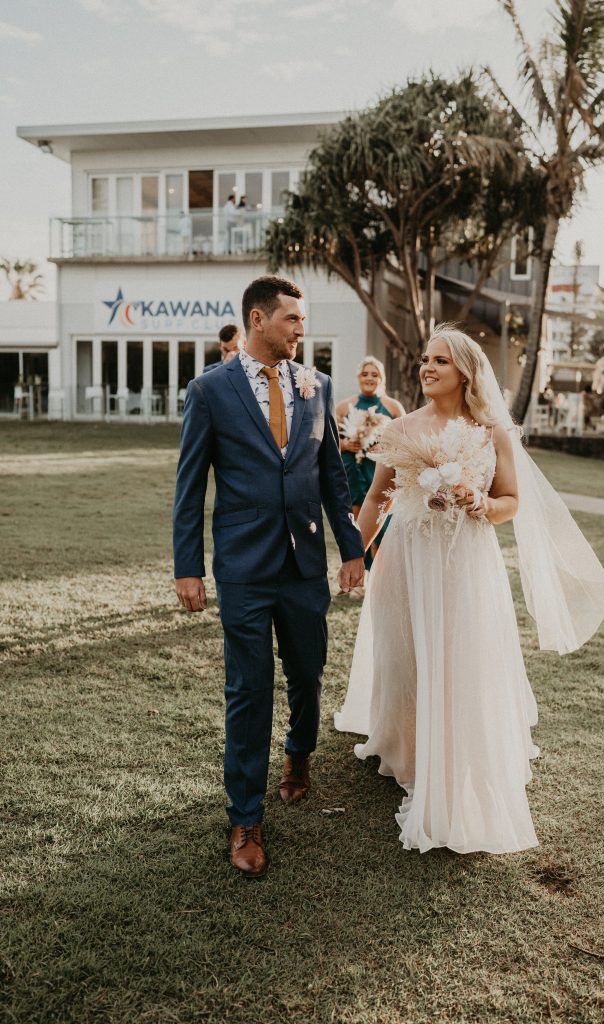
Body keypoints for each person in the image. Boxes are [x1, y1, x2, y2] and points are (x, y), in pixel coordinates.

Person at [335, 324, 604, 855]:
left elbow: (511, 500)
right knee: (405, 657)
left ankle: (460, 753)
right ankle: (408, 752)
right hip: (407, 559)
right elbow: (375, 499)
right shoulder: (401, 427)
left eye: (440, 360)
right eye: (424, 359)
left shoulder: (493, 433)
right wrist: (358, 553)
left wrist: (482, 505)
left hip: (467, 563)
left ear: (465, 370)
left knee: (463, 658)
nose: (427, 367)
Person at [173, 275, 365, 878]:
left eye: (302, 321)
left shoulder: (318, 386)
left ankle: (299, 755)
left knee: (307, 672)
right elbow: (190, 485)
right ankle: (246, 817)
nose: (301, 330)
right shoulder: (209, 391)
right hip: (244, 568)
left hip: (304, 565)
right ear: (258, 320)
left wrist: (352, 549)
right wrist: (188, 567)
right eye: (292, 320)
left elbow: (333, 477)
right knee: (248, 690)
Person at [336, 357, 405, 575]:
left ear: (381, 379)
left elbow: (405, 441)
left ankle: (380, 574)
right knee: (357, 523)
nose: (369, 378)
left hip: (379, 469)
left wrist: (386, 449)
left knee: (382, 522)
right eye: (365, 374)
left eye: (374, 374)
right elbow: (326, 440)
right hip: (353, 470)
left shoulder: (393, 407)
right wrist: (345, 444)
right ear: (358, 378)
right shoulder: (345, 406)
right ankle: (360, 576)